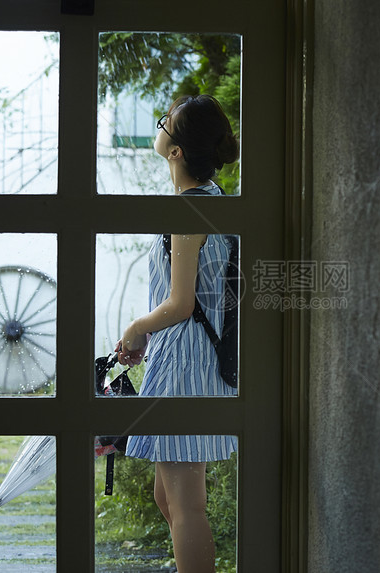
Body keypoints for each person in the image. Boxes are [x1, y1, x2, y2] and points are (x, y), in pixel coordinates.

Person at [115, 94, 239, 573]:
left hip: (187, 363)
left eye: (166, 122)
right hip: (192, 360)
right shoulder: (215, 202)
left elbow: (181, 303)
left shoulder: (190, 210)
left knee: (185, 506)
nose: (160, 125)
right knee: (168, 498)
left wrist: (136, 327)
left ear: (176, 152)